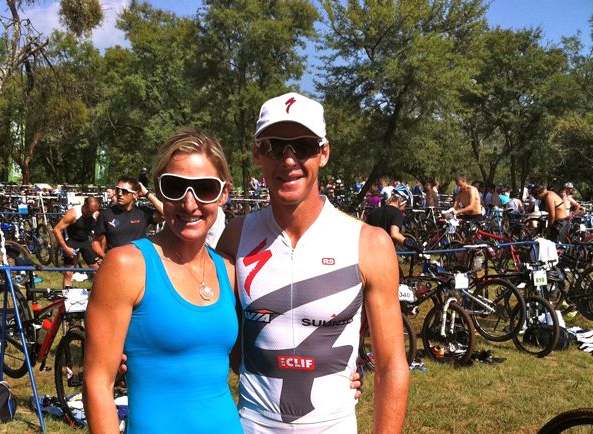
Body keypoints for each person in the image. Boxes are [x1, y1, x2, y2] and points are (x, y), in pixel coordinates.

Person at [217, 92, 408, 433]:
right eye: (275, 147)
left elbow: (392, 365)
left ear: (324, 153)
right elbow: (212, 333)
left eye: (303, 146)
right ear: (258, 153)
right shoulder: (235, 236)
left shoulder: (370, 244)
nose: (289, 160)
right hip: (253, 424)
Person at [84, 129, 242, 433]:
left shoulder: (229, 270)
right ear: (160, 191)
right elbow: (97, 382)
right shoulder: (127, 265)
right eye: (175, 187)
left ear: (224, 193)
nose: (189, 203)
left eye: (205, 188)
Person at [91, 176, 163, 260]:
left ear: (134, 195)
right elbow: (95, 242)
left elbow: (165, 214)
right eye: (118, 190)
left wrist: (147, 194)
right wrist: (105, 257)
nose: (120, 193)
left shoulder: (143, 212)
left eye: (124, 191)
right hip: (117, 263)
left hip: (140, 262)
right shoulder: (105, 214)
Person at [52, 196, 101, 288]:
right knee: (69, 273)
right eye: (89, 211)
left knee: (97, 271)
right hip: (71, 241)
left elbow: (101, 234)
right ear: (85, 205)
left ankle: (98, 292)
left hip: (85, 241)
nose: (91, 213)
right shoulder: (73, 214)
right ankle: (68, 293)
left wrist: (100, 251)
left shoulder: (95, 214)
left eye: (93, 211)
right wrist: (65, 248)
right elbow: (56, 230)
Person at [366, 186, 420, 252]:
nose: (404, 208)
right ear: (400, 200)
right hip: (385, 252)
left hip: (370, 250)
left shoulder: (375, 211)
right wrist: (411, 244)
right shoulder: (397, 213)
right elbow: (394, 234)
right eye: (406, 204)